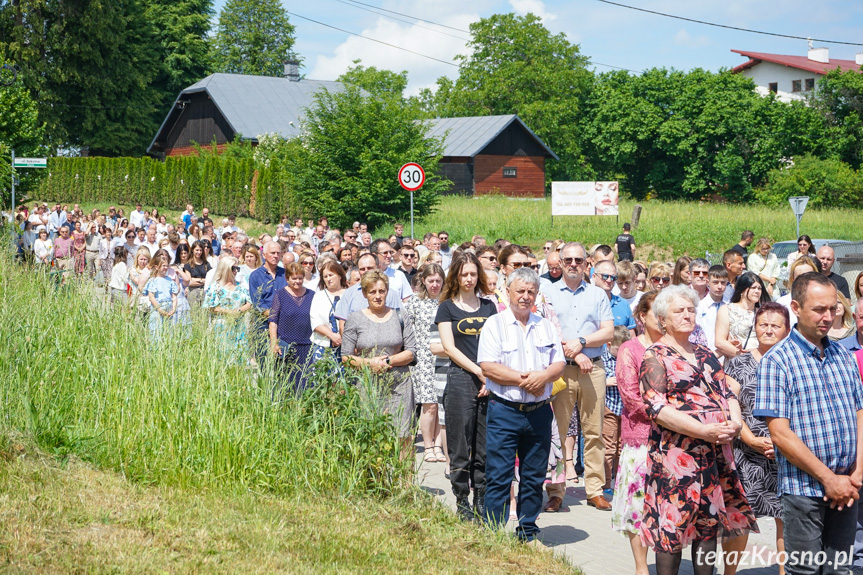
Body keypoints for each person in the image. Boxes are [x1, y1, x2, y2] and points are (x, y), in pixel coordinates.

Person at [639, 285, 758, 575]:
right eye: (679, 310)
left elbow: (727, 393)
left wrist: (736, 422)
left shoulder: (706, 353)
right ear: (663, 319)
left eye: (691, 309)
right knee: (673, 530)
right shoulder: (655, 355)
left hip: (715, 454)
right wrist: (703, 431)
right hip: (677, 457)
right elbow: (657, 408)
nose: (688, 314)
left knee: (708, 525)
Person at [755, 272, 863, 575]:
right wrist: (829, 479)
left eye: (832, 308)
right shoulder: (778, 361)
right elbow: (780, 434)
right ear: (796, 308)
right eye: (818, 309)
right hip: (805, 490)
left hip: (847, 487)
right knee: (805, 571)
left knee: (839, 570)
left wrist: (857, 473)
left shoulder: (842, 355)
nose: (827, 316)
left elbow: (860, 413)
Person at [478, 266, 565, 545]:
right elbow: (489, 367)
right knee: (499, 475)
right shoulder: (495, 324)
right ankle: (492, 533)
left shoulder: (545, 325)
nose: (526, 297)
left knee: (533, 476)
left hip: (539, 413)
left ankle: (527, 531)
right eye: (520, 291)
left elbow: (559, 363)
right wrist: (525, 380)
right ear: (508, 291)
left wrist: (544, 376)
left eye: (531, 292)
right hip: (504, 411)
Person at [542, 242, 614, 511]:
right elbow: (545, 331)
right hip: (561, 368)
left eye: (579, 260)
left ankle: (594, 489)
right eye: (568, 260)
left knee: (594, 431)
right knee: (558, 431)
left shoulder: (597, 295)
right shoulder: (547, 293)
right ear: (560, 263)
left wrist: (581, 342)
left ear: (587, 264)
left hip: (592, 368)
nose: (573, 264)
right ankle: (556, 490)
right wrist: (570, 349)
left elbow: (608, 332)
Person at [722, 302, 789, 575]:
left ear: (787, 330)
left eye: (776, 325)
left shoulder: (792, 361)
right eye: (763, 324)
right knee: (740, 518)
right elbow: (728, 403)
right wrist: (749, 438)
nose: (769, 330)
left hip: (786, 453)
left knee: (787, 519)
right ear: (755, 327)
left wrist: (782, 442)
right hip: (746, 453)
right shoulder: (738, 362)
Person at [435, 252, 497, 521]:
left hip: (489, 380)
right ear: (456, 277)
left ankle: (481, 497)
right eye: (464, 274)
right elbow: (449, 347)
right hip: (461, 378)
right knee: (460, 443)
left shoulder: (489, 307)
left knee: (484, 444)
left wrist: (490, 377)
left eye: (473, 274)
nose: (469, 279)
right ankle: (462, 500)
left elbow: (498, 345)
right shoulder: (447, 307)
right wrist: (478, 372)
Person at [342, 270, 418, 452]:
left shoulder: (401, 315)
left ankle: (405, 481)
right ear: (364, 294)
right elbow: (345, 356)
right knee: (372, 438)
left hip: (399, 385)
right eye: (372, 292)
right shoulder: (355, 319)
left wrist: (387, 361)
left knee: (403, 437)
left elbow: (411, 352)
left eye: (381, 291)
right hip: (368, 387)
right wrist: (370, 364)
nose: (377, 296)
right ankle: (379, 480)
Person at [612, 292, 661, 575]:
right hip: (641, 438)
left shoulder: (677, 346)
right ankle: (641, 568)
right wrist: (671, 416)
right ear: (642, 316)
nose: (664, 320)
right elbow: (630, 397)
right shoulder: (630, 349)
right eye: (657, 313)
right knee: (637, 508)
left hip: (676, 440)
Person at [403, 264, 446, 463]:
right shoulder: (414, 303)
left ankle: (439, 446)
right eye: (431, 281)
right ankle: (428, 445)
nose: (435, 285)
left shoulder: (448, 302)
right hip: (423, 360)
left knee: (441, 405)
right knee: (429, 405)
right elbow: (405, 330)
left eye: (438, 281)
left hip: (445, 358)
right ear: (424, 282)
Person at [269, 261, 315, 395]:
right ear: (287, 278)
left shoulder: (311, 295)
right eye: (294, 278)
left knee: (306, 384)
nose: (298, 281)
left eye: (300, 278)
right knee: (285, 384)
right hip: (286, 345)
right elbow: (273, 320)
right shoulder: (280, 295)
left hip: (307, 345)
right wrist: (274, 343)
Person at [203, 256, 252, 363]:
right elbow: (209, 306)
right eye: (233, 268)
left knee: (240, 359)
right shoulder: (215, 286)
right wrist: (228, 312)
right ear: (225, 268)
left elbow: (249, 303)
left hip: (239, 326)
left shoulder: (240, 286)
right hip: (221, 326)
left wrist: (239, 310)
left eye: (237, 268)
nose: (235, 271)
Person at [715, 272, 769, 361]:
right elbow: (719, 342)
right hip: (736, 365)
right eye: (753, 288)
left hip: (759, 363)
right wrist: (745, 357)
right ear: (742, 290)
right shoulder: (727, 310)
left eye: (759, 288)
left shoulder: (762, 313)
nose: (757, 291)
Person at [309, 259, 347, 362]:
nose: (328, 279)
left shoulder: (349, 294)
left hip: (346, 346)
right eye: (325, 277)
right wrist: (332, 336)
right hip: (323, 344)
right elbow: (315, 321)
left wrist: (342, 337)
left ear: (339, 275)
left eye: (331, 275)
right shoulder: (318, 296)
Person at [695, 265, 730, 354]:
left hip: (726, 354)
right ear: (708, 282)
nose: (719, 287)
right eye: (715, 282)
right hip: (707, 353)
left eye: (723, 283)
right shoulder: (700, 307)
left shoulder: (730, 305)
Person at [142, 254, 178, 339]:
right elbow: (151, 297)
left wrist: (173, 309)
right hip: (157, 309)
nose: (165, 268)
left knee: (168, 332)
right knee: (156, 332)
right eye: (163, 266)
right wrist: (160, 310)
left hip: (168, 308)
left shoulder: (170, 281)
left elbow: (174, 296)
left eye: (167, 266)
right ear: (157, 267)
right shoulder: (153, 280)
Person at [184, 241, 211, 308]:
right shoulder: (188, 265)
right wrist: (203, 281)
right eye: (197, 250)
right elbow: (189, 282)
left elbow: (210, 279)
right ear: (192, 250)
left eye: (200, 250)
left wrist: (197, 280)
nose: (199, 252)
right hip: (193, 292)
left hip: (205, 292)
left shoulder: (206, 264)